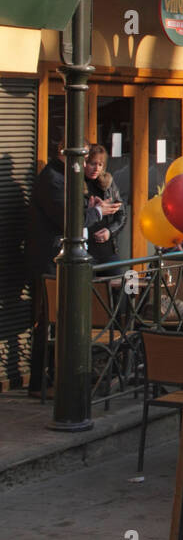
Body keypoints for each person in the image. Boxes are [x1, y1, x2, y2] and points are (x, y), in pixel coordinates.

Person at [24, 141, 121, 395]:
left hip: (61, 259)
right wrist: (97, 212)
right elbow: (70, 220)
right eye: (82, 156)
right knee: (48, 320)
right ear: (63, 154)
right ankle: (38, 382)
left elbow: (75, 214)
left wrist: (91, 208)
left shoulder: (65, 177)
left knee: (60, 320)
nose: (85, 162)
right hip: (50, 260)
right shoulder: (53, 180)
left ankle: (57, 377)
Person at [84, 144, 127, 272]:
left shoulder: (107, 183)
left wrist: (110, 231)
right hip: (86, 251)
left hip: (107, 250)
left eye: (100, 164)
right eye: (93, 163)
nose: (96, 168)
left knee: (120, 286)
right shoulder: (76, 183)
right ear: (84, 163)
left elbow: (121, 214)